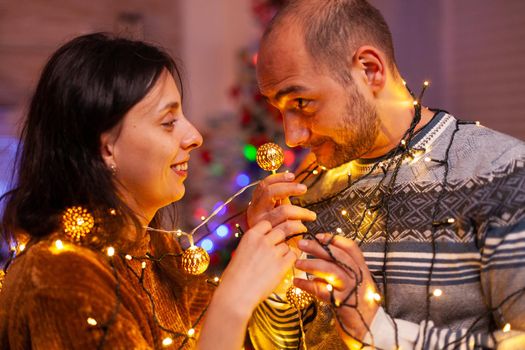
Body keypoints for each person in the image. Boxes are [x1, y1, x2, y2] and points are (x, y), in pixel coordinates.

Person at [0, 32, 311, 349]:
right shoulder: (59, 276)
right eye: (168, 122)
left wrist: (264, 251)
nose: (193, 137)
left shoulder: (157, 250)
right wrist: (233, 300)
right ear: (106, 148)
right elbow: (223, 324)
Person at [246, 0, 525, 349]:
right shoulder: (306, 194)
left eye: (301, 102)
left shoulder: (501, 172)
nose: (292, 137)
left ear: (369, 70)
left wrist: (375, 329)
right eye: (279, 110)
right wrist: (270, 270)